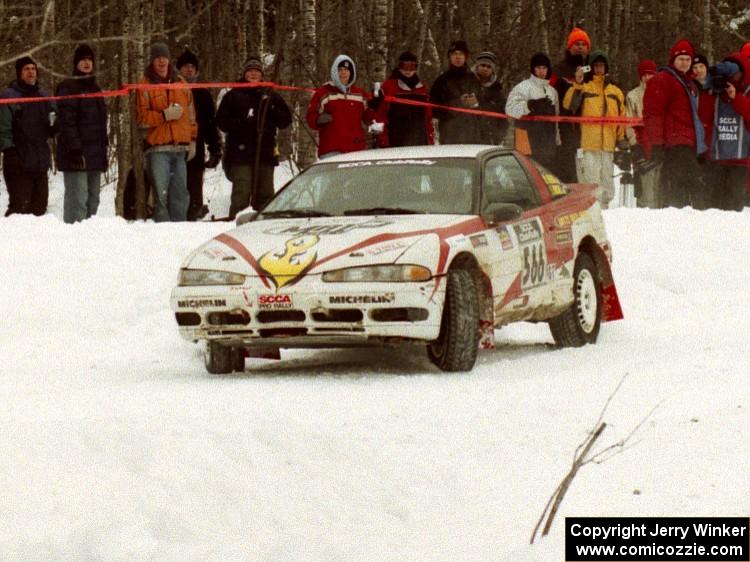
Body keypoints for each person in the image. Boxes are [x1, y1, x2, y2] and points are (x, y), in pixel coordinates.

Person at [217, 57, 292, 218]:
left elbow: (286, 120)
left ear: (261, 75)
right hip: (240, 154)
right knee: (242, 193)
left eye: (256, 71)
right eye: (250, 71)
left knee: (265, 194)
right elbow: (221, 121)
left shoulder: (270, 94)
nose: (253, 74)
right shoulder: (233, 95)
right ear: (244, 73)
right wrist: (242, 122)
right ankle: (235, 225)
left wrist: (271, 108)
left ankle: (263, 227)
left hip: (265, 153)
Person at [136, 42, 197, 222]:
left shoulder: (181, 82)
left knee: (180, 193)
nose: (162, 61)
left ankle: (178, 230)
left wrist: (192, 139)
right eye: (157, 58)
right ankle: (162, 233)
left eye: (164, 57)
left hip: (180, 148)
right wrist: (164, 115)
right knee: (160, 196)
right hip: (157, 149)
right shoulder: (144, 84)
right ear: (152, 61)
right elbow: (142, 119)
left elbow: (191, 114)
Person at [643, 39, 707, 208]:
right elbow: (653, 113)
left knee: (690, 186)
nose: (685, 63)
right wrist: (656, 143)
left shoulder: (690, 84)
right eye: (681, 59)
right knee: (681, 187)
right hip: (674, 142)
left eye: (688, 59)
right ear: (673, 60)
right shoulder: (663, 79)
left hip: (690, 142)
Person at [563, 49, 626, 209]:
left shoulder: (615, 91)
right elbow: (569, 105)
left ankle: (606, 214)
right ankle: (590, 212)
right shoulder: (584, 87)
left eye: (602, 66)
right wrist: (577, 83)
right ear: (590, 67)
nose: (599, 69)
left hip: (608, 145)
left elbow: (622, 117)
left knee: (607, 184)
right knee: (590, 184)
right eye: (596, 66)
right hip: (587, 145)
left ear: (606, 68)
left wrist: (621, 139)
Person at [55, 44, 108, 224]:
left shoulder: (96, 89)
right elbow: (66, 121)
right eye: (83, 60)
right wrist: (75, 149)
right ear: (76, 63)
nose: (86, 63)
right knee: (77, 202)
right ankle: (72, 240)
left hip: (95, 154)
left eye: (89, 60)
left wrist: (104, 150)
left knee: (93, 201)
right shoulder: (67, 87)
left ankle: (87, 241)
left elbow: (101, 123)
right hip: (76, 154)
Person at [0, 56, 57, 216]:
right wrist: (9, 151)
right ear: (19, 73)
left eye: (33, 68)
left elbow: (52, 121)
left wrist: (54, 126)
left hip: (39, 161)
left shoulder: (43, 95)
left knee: (39, 209)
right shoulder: (9, 96)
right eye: (26, 69)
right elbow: (3, 128)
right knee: (19, 209)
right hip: (18, 161)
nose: (31, 72)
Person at [698, 53, 750, 211]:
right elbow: (702, 116)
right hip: (716, 158)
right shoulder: (715, 92)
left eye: (734, 76)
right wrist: (708, 90)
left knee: (734, 209)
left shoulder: (747, 91)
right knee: (714, 209)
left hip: (740, 159)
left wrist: (736, 98)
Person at [176, 49, 222, 221]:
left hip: (197, 146)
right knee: (178, 188)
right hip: (175, 146)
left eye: (192, 67)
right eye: (185, 66)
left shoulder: (202, 93)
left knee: (195, 186)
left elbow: (210, 123)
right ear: (179, 69)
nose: (189, 70)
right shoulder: (172, 89)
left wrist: (215, 147)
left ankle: (194, 215)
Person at [306, 55, 378, 158]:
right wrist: (318, 120)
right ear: (334, 72)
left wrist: (373, 107)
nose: (343, 73)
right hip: (331, 149)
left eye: (346, 70)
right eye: (340, 70)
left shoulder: (359, 94)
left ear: (351, 73)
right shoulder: (324, 92)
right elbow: (310, 117)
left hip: (356, 150)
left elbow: (369, 119)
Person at [551, 27, 592, 182]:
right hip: (565, 127)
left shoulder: (594, 70)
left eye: (584, 44)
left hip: (589, 128)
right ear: (569, 47)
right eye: (577, 43)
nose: (580, 47)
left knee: (587, 173)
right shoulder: (558, 69)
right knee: (567, 171)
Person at [505, 53, 559, 171]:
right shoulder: (523, 87)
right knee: (528, 171)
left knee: (547, 173)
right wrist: (529, 106)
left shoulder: (552, 91)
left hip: (547, 140)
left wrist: (557, 139)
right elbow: (509, 108)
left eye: (544, 68)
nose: (541, 71)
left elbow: (557, 117)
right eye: (538, 68)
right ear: (533, 69)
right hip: (526, 138)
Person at [374, 51, 434, 147]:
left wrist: (430, 140)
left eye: (412, 66)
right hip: (396, 144)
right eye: (404, 66)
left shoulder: (422, 88)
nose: (408, 70)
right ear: (399, 66)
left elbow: (428, 118)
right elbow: (381, 116)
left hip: (420, 143)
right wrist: (383, 141)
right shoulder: (389, 86)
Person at [429, 40, 483, 144]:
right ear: (449, 56)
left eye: (461, 54)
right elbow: (434, 109)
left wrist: (476, 104)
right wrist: (458, 103)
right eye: (454, 54)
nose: (457, 57)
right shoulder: (442, 81)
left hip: (473, 136)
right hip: (450, 136)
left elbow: (484, 109)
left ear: (466, 57)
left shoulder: (474, 79)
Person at [624, 59, 659, 208]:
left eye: (651, 74)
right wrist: (634, 144)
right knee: (645, 191)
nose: (648, 78)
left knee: (659, 188)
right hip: (641, 147)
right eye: (644, 75)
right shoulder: (633, 96)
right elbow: (628, 123)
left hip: (659, 147)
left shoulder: (661, 94)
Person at [473, 51, 508, 145]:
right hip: (470, 136)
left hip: (491, 138)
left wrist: (499, 135)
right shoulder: (468, 83)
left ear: (492, 70)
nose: (485, 68)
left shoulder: (497, 90)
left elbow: (503, 117)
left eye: (489, 67)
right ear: (477, 66)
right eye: (483, 65)